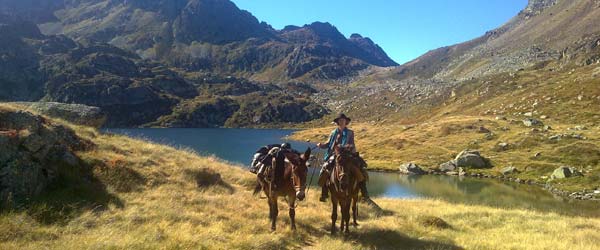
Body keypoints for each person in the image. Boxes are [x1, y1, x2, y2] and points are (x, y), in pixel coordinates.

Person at [317, 114, 369, 202]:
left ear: (346, 122)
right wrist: (321, 145)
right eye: (340, 120)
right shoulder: (333, 132)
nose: (341, 122)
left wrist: (346, 148)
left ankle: (364, 192)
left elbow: (352, 144)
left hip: (347, 154)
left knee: (360, 168)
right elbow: (328, 143)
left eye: (343, 120)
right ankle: (324, 193)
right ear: (337, 122)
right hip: (335, 154)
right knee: (325, 169)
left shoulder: (350, 132)